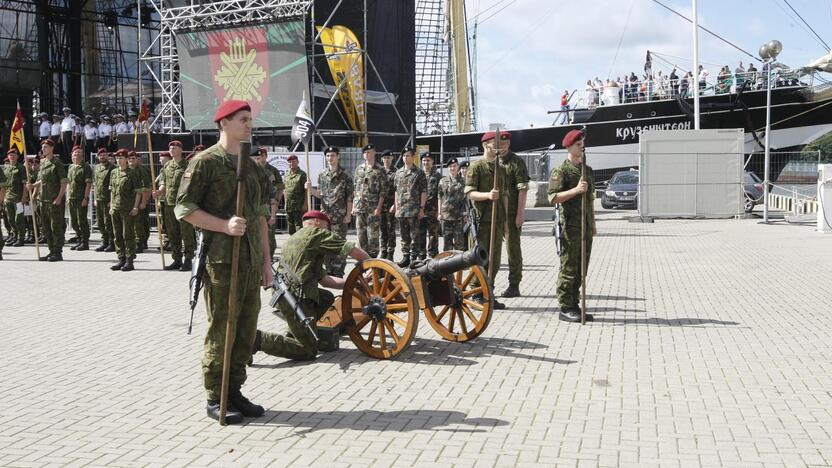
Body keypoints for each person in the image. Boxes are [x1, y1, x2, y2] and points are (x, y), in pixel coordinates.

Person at [174, 100, 271, 424]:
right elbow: (184, 209)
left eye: (250, 120)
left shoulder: (254, 167)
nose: (249, 125)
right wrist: (224, 225)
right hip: (221, 263)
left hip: (250, 263)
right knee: (223, 330)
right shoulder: (205, 163)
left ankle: (234, 391)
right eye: (243, 120)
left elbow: (259, 219)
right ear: (224, 123)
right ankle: (216, 396)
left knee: (245, 332)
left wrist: (267, 264)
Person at [252, 210, 371, 361]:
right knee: (308, 350)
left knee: (327, 297)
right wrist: (373, 265)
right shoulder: (316, 234)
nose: (328, 231)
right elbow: (352, 251)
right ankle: (257, 340)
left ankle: (296, 332)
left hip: (286, 296)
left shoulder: (294, 239)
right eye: (327, 226)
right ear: (317, 222)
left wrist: (353, 283)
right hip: (297, 298)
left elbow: (325, 280)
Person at [547, 129, 596, 323]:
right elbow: (553, 197)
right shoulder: (561, 170)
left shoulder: (588, 170)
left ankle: (575, 304)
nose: (581, 146)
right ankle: (565, 306)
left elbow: (590, 199)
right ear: (569, 147)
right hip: (569, 226)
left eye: (582, 143)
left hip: (584, 225)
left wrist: (592, 224)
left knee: (581, 268)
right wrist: (575, 190)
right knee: (569, 267)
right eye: (578, 144)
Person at [465, 131, 508, 310]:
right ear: (485, 145)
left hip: (496, 221)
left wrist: (505, 221)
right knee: (478, 259)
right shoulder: (476, 167)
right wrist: (488, 195)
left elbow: (504, 195)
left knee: (495, 260)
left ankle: (488, 291)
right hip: (481, 222)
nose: (498, 146)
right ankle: (476, 293)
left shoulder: (501, 168)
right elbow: (469, 192)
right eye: (494, 142)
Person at [307, 146, 353, 277]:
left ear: (338, 156)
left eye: (332, 155)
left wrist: (348, 214)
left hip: (340, 216)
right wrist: (310, 189)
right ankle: (328, 268)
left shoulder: (345, 174)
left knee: (339, 243)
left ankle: (338, 269)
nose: (330, 158)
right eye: (327, 156)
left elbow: (349, 196)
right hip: (325, 217)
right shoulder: (322, 175)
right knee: (326, 243)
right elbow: (320, 194)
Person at [499, 136, 530, 298]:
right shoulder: (495, 161)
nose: (501, 147)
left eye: (504, 144)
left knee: (513, 250)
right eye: (499, 144)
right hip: (495, 215)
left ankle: (514, 284)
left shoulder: (516, 162)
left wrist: (520, 214)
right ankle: (488, 283)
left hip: (511, 215)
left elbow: (523, 190)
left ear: (509, 144)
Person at [157, 141, 195, 271]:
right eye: (170, 148)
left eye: (174, 148)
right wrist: (159, 191)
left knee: (186, 233)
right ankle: (177, 259)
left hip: (183, 204)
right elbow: (164, 183)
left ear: (180, 150)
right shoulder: (167, 166)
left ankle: (189, 259)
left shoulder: (188, 165)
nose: (172, 150)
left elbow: (191, 184)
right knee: (172, 233)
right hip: (169, 204)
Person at [28, 139, 68, 261]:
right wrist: (33, 186)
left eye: (46, 147)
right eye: (43, 147)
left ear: (51, 148)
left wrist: (59, 197)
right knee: (45, 227)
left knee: (55, 226)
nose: (43, 149)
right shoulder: (43, 162)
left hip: (54, 200)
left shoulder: (57, 163)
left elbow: (64, 181)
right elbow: (42, 180)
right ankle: (51, 250)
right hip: (43, 200)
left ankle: (58, 252)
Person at [393, 146, 426, 267]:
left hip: (414, 210)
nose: (405, 158)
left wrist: (422, 208)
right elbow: (396, 191)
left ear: (413, 157)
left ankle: (414, 257)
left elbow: (423, 191)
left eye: (408, 155)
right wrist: (396, 207)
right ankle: (405, 256)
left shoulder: (419, 173)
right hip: (402, 210)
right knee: (403, 235)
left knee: (415, 235)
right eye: (404, 155)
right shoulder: (398, 173)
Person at [109, 149, 141, 271]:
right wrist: (111, 205)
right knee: (117, 235)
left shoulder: (132, 173)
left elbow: (138, 192)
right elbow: (112, 190)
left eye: (121, 158)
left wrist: (135, 207)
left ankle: (129, 260)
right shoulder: (114, 172)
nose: (119, 160)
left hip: (127, 208)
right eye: (117, 158)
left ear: (127, 159)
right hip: (116, 208)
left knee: (127, 234)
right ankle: (121, 258)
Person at [352, 143, 385, 258]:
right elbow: (355, 188)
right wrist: (353, 206)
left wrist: (378, 208)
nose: (367, 155)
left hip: (373, 208)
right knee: (361, 236)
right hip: (360, 207)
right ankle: (363, 261)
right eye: (365, 153)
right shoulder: (359, 169)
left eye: (369, 152)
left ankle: (373, 261)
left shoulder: (380, 169)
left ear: (374, 152)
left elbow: (382, 191)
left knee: (373, 237)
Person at [254, 147, 283, 259]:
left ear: (266, 156)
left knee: (269, 237)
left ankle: (268, 260)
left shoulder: (271, 171)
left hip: (269, 207)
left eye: (261, 156)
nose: (259, 159)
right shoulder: (251, 170)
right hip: (256, 208)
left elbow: (279, 188)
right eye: (257, 157)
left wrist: (276, 202)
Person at [66, 146, 93, 251]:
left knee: (82, 221)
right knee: (74, 221)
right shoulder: (71, 167)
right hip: (72, 198)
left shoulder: (85, 167)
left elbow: (88, 184)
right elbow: (68, 182)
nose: (76, 154)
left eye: (78, 153)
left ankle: (85, 242)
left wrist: (85, 198)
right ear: (72, 155)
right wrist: (68, 196)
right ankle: (79, 238)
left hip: (80, 198)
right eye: (74, 153)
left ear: (82, 155)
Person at [438, 157, 466, 251]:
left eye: (454, 166)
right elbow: (440, 197)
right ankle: (447, 264)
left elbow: (467, 199)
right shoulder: (442, 181)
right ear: (448, 168)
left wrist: (466, 214)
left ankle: (460, 264)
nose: (452, 168)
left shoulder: (463, 181)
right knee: (447, 243)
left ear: (458, 167)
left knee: (459, 243)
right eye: (450, 166)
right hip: (446, 217)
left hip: (459, 217)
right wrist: (439, 213)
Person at [128, 151, 152, 253]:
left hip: (141, 200)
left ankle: (140, 242)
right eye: (129, 159)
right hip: (130, 201)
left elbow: (146, 187)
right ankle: (138, 241)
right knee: (134, 223)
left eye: (133, 158)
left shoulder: (141, 170)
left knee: (140, 223)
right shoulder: (128, 170)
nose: (131, 161)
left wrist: (143, 202)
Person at [419, 151, 441, 259]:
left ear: (432, 162)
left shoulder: (437, 176)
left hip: (433, 210)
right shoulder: (418, 174)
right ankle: (422, 255)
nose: (426, 162)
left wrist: (439, 210)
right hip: (420, 210)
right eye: (424, 160)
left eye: (428, 160)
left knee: (433, 234)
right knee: (420, 233)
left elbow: (440, 194)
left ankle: (433, 255)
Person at [93, 147, 115, 252]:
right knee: (100, 222)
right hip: (99, 198)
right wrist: (95, 198)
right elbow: (96, 184)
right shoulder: (97, 167)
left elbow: (114, 186)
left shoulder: (113, 168)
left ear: (107, 156)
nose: (102, 157)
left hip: (107, 200)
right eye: (100, 155)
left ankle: (112, 242)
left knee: (108, 223)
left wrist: (112, 200)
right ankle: (104, 241)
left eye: (104, 155)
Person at [3, 149, 27, 247]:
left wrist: (24, 197)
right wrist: (4, 197)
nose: (12, 157)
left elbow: (25, 184)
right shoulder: (7, 169)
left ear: (17, 156)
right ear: (8, 157)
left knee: (19, 219)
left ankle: (21, 238)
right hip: (8, 198)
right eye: (10, 155)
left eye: (14, 155)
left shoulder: (21, 168)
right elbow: (4, 185)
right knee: (10, 219)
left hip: (18, 198)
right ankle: (15, 236)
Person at [379, 149, 397, 260]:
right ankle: (383, 251)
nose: (386, 160)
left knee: (391, 230)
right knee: (382, 230)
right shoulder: (378, 171)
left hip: (391, 206)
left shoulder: (396, 172)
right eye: (384, 158)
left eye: (388, 158)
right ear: (381, 159)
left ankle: (390, 253)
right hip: (380, 206)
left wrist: (395, 205)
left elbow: (398, 190)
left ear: (392, 159)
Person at [282, 154, 307, 235]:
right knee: (290, 227)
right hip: (289, 206)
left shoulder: (302, 175)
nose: (291, 163)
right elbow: (285, 190)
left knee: (299, 227)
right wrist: (285, 204)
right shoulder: (286, 175)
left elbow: (306, 190)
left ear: (297, 162)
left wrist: (305, 204)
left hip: (299, 206)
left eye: (293, 161)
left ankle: (299, 245)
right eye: (289, 162)